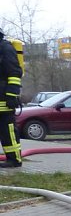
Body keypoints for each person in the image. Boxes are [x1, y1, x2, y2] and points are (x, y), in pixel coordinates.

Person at [0, 27, 23, 169]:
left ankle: (14, 159)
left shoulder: (5, 48)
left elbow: (15, 73)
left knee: (7, 130)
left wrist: (11, 95)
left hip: (4, 99)